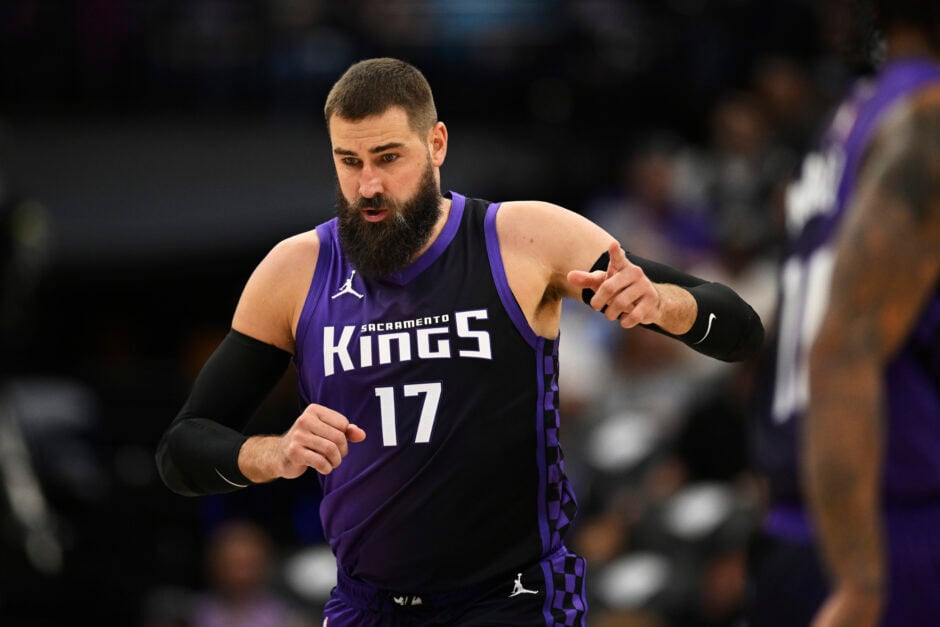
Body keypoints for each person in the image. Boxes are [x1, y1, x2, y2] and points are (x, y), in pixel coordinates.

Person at [156, 57, 763, 626]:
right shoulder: (296, 270)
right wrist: (274, 453)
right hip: (368, 603)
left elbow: (740, 327)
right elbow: (182, 449)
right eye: (349, 161)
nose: (368, 185)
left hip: (513, 597)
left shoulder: (522, 237)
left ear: (436, 144)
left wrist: (664, 304)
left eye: (388, 157)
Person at [748, 1, 940, 625]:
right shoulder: (927, 120)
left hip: (806, 520)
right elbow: (839, 348)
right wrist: (860, 583)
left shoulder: (854, 115)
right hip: (887, 538)